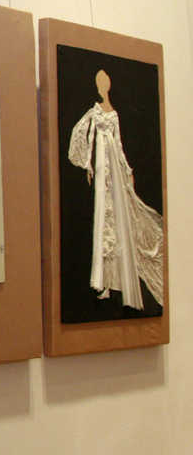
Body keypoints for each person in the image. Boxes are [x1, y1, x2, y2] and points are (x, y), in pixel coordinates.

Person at [68, 70, 163, 309]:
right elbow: (87, 136)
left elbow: (118, 143)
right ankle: (102, 281)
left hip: (113, 162)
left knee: (116, 216)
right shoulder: (95, 110)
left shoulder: (114, 113)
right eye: (100, 83)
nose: (102, 86)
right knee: (103, 214)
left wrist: (127, 169)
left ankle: (115, 279)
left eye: (104, 83)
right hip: (101, 161)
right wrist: (88, 165)